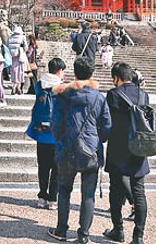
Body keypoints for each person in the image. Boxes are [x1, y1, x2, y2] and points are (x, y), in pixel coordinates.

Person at [48, 57, 111, 244]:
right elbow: (107, 126)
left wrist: (61, 138)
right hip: (90, 150)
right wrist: (98, 139)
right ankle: (83, 235)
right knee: (88, 194)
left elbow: (55, 123)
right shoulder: (99, 98)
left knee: (64, 190)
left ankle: (61, 230)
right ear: (91, 74)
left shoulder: (62, 95)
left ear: (75, 73)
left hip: (66, 147)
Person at [102, 62, 150, 244]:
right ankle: (138, 237)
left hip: (117, 149)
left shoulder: (113, 95)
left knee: (115, 191)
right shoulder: (143, 95)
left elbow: (107, 122)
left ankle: (118, 230)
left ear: (116, 78)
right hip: (139, 148)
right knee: (139, 192)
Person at [26, 57, 66, 210]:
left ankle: (42, 196)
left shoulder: (39, 85)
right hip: (57, 135)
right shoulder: (62, 88)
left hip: (41, 133)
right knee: (56, 169)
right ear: (59, 71)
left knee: (43, 167)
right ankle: (52, 200)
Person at [8, 26, 27, 95]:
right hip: (20, 57)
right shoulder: (22, 37)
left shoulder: (10, 37)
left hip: (12, 57)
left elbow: (7, 46)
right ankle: (15, 87)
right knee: (20, 72)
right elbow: (26, 47)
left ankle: (17, 88)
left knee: (14, 72)